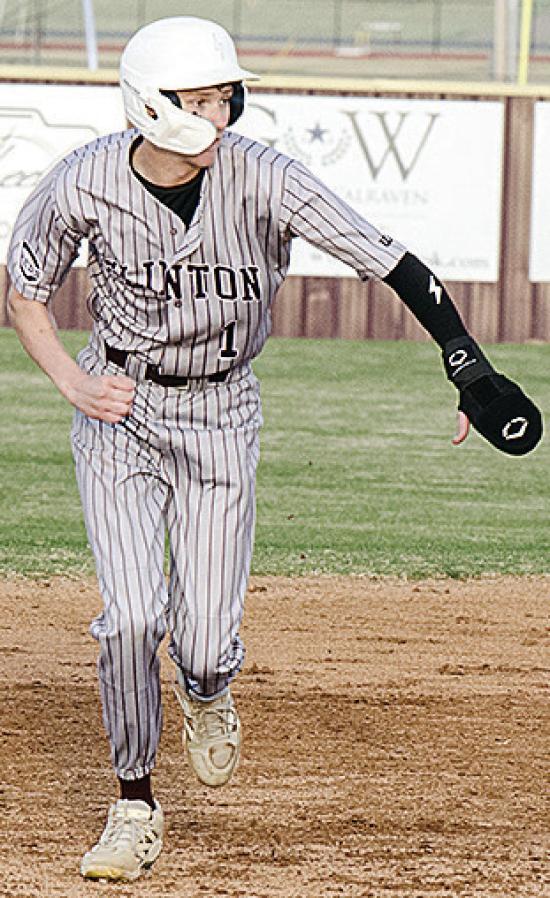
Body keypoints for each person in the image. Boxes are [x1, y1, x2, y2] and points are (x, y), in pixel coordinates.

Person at [6, 15, 541, 883]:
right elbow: (26, 289)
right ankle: (134, 800)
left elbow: (392, 262)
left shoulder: (264, 179)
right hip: (121, 412)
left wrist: (468, 367)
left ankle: (207, 692)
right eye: (199, 99)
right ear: (150, 105)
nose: (217, 114)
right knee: (134, 616)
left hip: (221, 412)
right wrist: (73, 382)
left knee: (205, 642)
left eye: (224, 95)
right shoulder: (84, 182)